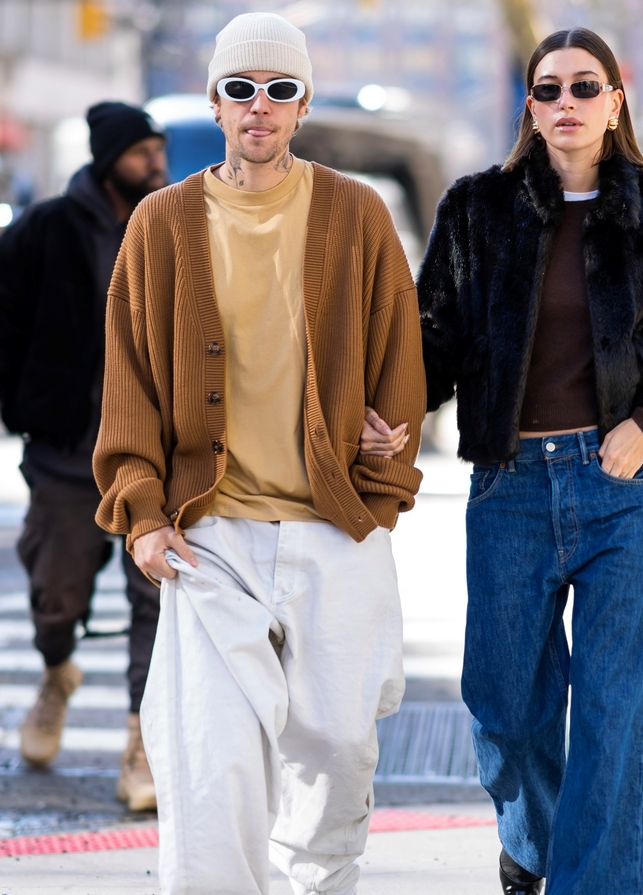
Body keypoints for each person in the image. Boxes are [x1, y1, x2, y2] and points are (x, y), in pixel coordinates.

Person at [360, 27, 643, 895]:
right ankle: (531, 842)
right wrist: (393, 414)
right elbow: (434, 340)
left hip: (622, 492)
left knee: (612, 716)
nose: (566, 104)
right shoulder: (476, 209)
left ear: (616, 101)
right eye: (549, 90)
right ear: (529, 108)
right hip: (511, 485)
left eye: (585, 87)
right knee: (505, 705)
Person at [93, 12, 425, 895]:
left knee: (338, 756)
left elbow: (399, 352)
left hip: (334, 525)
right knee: (210, 769)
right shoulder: (161, 224)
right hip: (212, 536)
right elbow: (126, 375)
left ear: (303, 103)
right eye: (241, 89)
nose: (260, 107)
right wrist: (143, 514)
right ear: (216, 102)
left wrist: (386, 465)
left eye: (279, 90)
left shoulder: (356, 213)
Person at [0, 102, 168, 811]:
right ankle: (56, 670)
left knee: (155, 599)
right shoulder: (44, 228)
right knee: (56, 593)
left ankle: (142, 741)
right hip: (68, 451)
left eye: (158, 151)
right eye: (140, 153)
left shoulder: (174, 224)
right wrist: (25, 405)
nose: (154, 163)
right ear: (108, 157)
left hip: (158, 455)